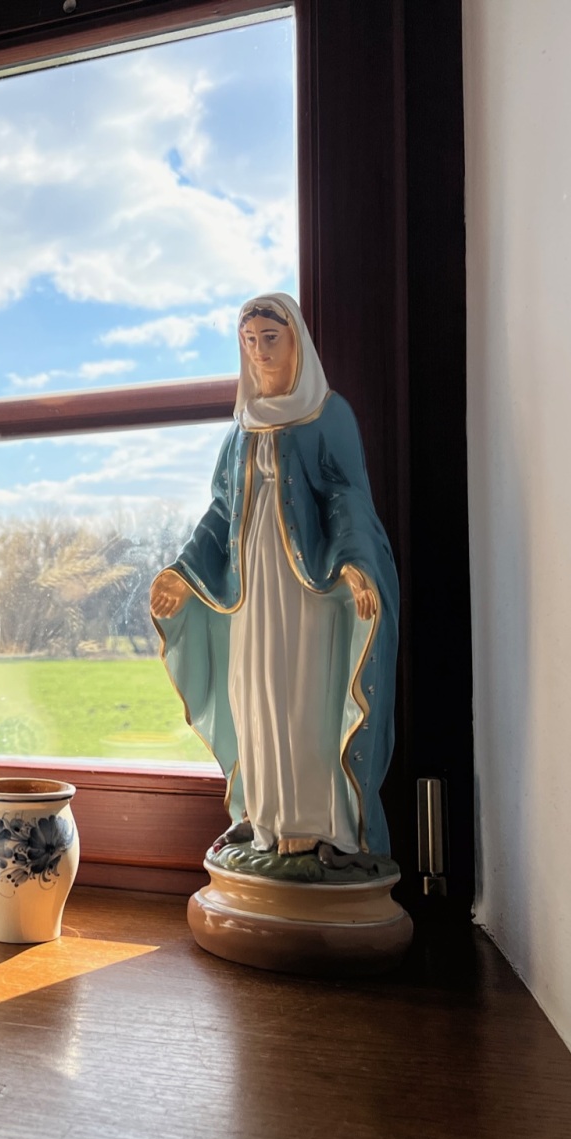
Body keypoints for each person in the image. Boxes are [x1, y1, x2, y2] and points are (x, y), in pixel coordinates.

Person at [150, 294, 398, 866]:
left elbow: (346, 497)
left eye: (270, 338)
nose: (259, 351)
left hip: (307, 586)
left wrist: (355, 562)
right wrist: (184, 573)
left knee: (304, 692)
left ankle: (316, 822)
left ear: (296, 344)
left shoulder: (327, 415)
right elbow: (221, 511)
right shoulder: (240, 429)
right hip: (251, 586)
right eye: (249, 340)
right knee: (254, 693)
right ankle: (265, 814)